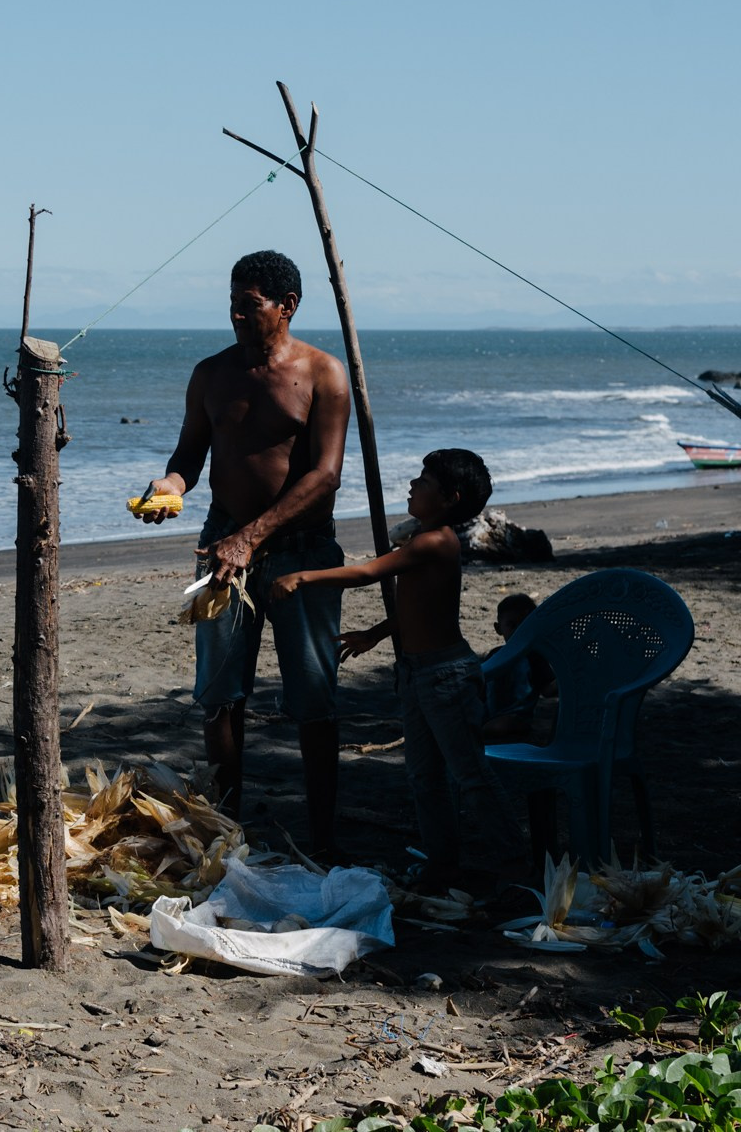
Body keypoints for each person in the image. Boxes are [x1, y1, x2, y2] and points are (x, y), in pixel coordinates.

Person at [135, 250, 352, 862]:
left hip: (301, 549)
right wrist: (168, 488)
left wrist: (252, 538)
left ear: (287, 306)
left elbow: (325, 477)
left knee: (313, 698)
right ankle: (226, 830)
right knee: (220, 694)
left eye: (249, 304)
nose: (235, 314)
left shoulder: (323, 374)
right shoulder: (211, 374)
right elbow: (189, 457)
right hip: (222, 542)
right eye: (231, 302)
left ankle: (324, 840)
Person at [271, 449, 514, 895]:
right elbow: (420, 605)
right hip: (416, 672)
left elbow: (366, 573)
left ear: (450, 498)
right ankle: (442, 866)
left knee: (470, 775)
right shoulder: (422, 538)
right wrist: (377, 633)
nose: (413, 485)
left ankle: (516, 866)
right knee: (424, 777)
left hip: (446, 676)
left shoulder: (435, 542)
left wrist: (302, 577)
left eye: (424, 481)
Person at [482, 592, 556, 744]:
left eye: (524, 626)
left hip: (517, 720)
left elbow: (547, 690)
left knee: (503, 725)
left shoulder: (534, 657)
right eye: (511, 625)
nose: (518, 631)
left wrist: (565, 678)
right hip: (489, 715)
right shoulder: (495, 655)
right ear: (498, 628)